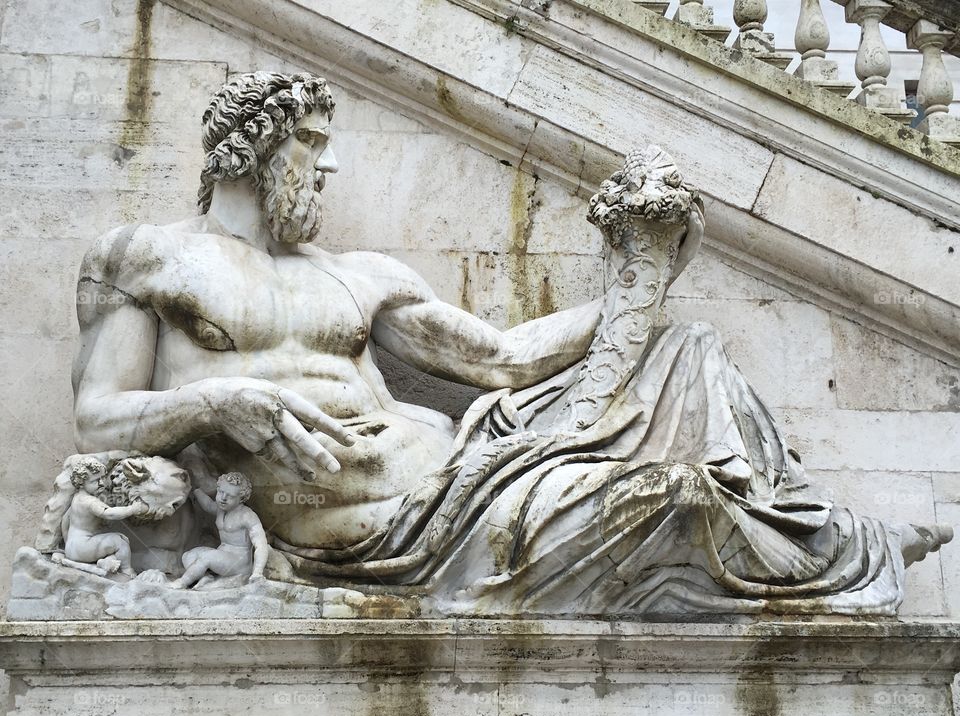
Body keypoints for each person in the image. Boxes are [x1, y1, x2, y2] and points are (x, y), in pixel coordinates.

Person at [72, 72, 950, 615]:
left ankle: (817, 539)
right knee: (668, 500)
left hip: (462, 474)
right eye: (312, 143)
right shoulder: (148, 259)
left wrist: (643, 281)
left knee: (687, 351)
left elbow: (504, 359)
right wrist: (220, 399)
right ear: (258, 145)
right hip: (360, 526)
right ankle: (834, 555)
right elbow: (100, 416)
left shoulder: (357, 274)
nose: (329, 166)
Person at [170, 472, 268, 588]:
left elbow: (261, 545)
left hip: (239, 562)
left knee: (207, 557)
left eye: (230, 496)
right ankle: (206, 578)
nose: (223, 498)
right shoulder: (220, 509)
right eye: (221, 492)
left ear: (241, 499)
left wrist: (257, 572)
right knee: (188, 556)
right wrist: (195, 490)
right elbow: (207, 505)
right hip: (222, 554)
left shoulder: (247, 516)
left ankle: (182, 582)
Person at [61, 458, 147, 577]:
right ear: (82, 482)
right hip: (82, 548)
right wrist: (132, 509)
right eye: (96, 481)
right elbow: (109, 513)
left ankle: (105, 562)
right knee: (120, 541)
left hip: (71, 548)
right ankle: (127, 571)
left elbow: (65, 520)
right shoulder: (90, 502)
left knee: (111, 539)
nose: (102, 483)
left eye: (102, 478)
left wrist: (67, 544)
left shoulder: (76, 498)